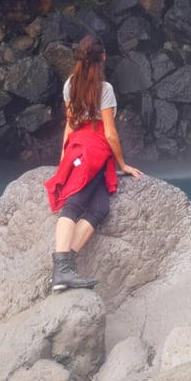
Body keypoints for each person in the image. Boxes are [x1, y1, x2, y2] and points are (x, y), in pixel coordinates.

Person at [44, 34, 142, 292]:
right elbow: (109, 133)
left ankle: (65, 270)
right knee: (74, 204)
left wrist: (65, 157)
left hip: (78, 146)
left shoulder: (70, 85)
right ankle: (62, 270)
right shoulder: (104, 89)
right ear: (103, 58)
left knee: (99, 209)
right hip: (94, 149)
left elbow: (69, 124)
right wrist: (123, 165)